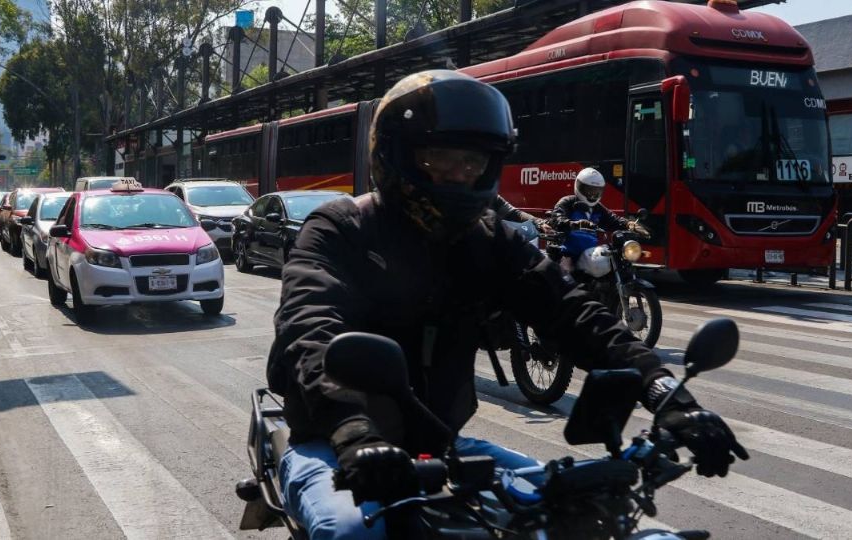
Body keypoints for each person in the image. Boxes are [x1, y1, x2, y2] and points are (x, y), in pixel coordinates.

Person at [267, 70, 747, 540]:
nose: (460, 175)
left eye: (473, 163)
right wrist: (352, 430)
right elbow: (311, 326)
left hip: (440, 445)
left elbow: (574, 312)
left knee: (576, 508)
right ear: (396, 155)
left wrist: (668, 394)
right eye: (441, 158)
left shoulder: (488, 241)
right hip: (333, 443)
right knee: (352, 529)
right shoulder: (340, 229)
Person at [548, 167, 648, 271]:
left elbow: (613, 219)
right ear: (579, 186)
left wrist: (629, 224)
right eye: (589, 190)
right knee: (566, 277)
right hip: (568, 253)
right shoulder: (567, 202)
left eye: (596, 191)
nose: (593, 195)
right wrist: (575, 224)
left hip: (590, 254)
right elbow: (557, 219)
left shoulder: (597, 208)